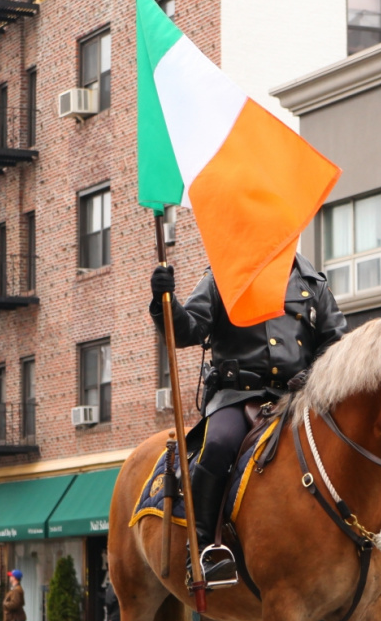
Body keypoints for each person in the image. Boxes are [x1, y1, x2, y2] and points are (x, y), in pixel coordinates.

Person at [149, 251, 349, 587]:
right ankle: (200, 548)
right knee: (219, 444)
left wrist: (315, 375)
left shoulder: (312, 282)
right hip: (237, 395)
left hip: (299, 398)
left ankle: (372, 545)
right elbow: (188, 332)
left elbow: (337, 343)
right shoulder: (222, 277)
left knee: (348, 440)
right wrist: (165, 300)